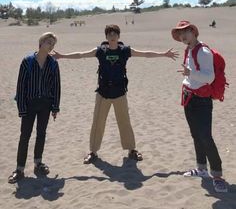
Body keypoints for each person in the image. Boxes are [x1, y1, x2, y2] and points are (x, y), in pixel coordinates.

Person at [53, 24, 178, 164]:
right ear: (106, 37)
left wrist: (163, 54)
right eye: (109, 34)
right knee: (98, 123)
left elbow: (145, 54)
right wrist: (62, 56)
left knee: (125, 122)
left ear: (119, 36)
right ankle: (93, 152)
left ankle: (131, 150)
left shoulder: (125, 51)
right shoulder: (100, 51)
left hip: (119, 93)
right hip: (103, 93)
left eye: (115, 34)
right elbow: (81, 54)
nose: (112, 37)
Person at [171, 20, 227, 193]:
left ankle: (217, 175)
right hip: (189, 97)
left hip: (202, 100)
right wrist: (188, 77)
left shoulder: (202, 51)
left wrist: (191, 73)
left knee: (205, 137)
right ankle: (201, 168)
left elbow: (209, 77)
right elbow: (193, 75)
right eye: (180, 34)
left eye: (185, 32)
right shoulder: (188, 50)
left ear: (193, 32)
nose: (182, 36)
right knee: (196, 135)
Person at [8, 32, 61, 184]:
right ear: (41, 42)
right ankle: (19, 169)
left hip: (45, 104)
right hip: (29, 105)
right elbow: (21, 86)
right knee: (24, 136)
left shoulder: (53, 63)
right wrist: (22, 108)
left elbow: (56, 86)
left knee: (41, 134)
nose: (51, 46)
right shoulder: (27, 61)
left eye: (53, 44)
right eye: (48, 42)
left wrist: (55, 107)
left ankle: (38, 163)